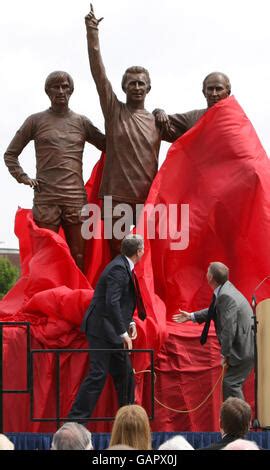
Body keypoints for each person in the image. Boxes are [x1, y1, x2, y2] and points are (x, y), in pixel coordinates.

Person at [84, 5, 171, 256]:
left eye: (141, 83)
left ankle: (141, 297)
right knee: (117, 255)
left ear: (149, 88)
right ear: (123, 87)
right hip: (116, 198)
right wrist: (92, 34)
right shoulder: (114, 111)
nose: (136, 87)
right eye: (131, 83)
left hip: (146, 198)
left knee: (147, 256)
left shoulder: (159, 121)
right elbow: (98, 73)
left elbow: (193, 126)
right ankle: (117, 296)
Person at [4, 70, 106, 272]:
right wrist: (23, 178)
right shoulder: (35, 121)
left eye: (65, 86)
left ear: (71, 90)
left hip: (75, 198)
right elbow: (10, 154)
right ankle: (44, 299)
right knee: (45, 256)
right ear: (47, 91)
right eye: (55, 87)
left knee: (78, 256)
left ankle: (79, 299)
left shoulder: (81, 122)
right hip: (46, 198)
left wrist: (119, 122)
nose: (61, 91)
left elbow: (109, 146)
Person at [68, 234, 144, 421]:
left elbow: (121, 302)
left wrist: (130, 322)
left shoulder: (123, 265)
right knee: (98, 374)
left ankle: (128, 421)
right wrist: (123, 332)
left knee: (125, 375)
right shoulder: (118, 268)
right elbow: (111, 302)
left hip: (111, 328)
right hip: (101, 329)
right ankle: (75, 422)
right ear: (139, 252)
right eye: (142, 248)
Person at [173, 262, 254, 400]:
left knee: (231, 384)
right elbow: (215, 310)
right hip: (244, 345)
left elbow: (229, 329)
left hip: (242, 350)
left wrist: (224, 354)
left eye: (207, 272)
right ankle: (239, 418)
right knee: (231, 384)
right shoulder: (225, 289)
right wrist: (192, 316)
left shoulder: (225, 296)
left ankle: (240, 420)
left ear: (210, 277)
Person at [154, 71, 231, 141]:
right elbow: (163, 125)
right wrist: (158, 112)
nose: (214, 94)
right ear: (204, 92)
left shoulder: (238, 120)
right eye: (210, 89)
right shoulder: (193, 117)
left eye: (218, 89)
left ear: (228, 93)